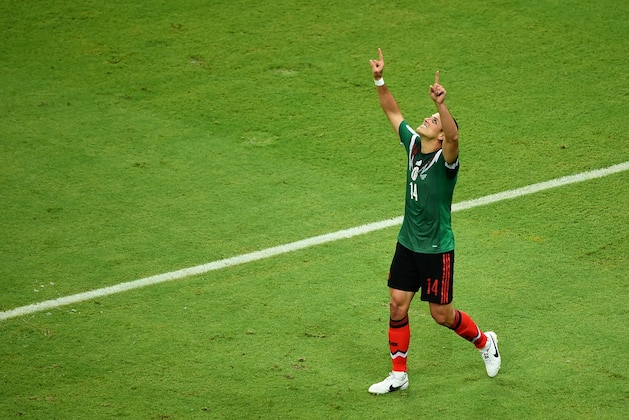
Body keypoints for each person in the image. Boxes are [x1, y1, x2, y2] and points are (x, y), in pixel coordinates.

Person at [367, 48, 501, 395]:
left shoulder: (446, 161)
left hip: (437, 247)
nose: (428, 119)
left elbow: (455, 137)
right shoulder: (413, 145)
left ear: (440, 136)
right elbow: (392, 111)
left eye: (434, 120)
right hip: (408, 242)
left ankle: (485, 342)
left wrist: (443, 104)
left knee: (441, 315)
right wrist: (380, 78)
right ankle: (399, 374)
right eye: (429, 116)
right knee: (397, 302)